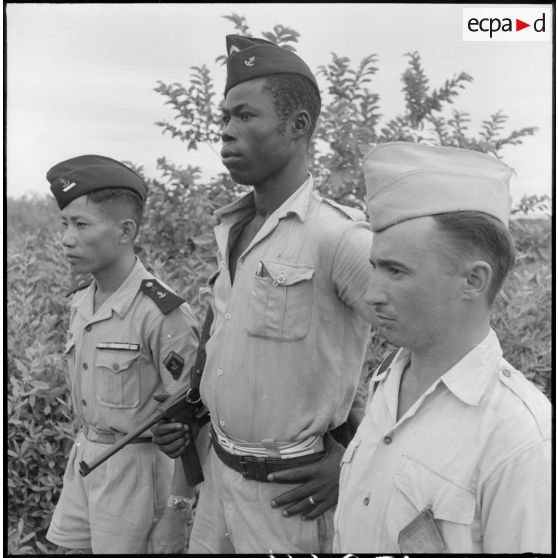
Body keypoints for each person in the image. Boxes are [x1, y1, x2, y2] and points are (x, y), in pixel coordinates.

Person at [152, 35, 375, 553]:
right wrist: (193, 414)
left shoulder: (339, 236)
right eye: (225, 117)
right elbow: (235, 352)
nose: (226, 131)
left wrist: (354, 454)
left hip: (290, 502)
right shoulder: (234, 229)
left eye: (245, 116)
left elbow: (422, 343)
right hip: (218, 485)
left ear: (298, 126)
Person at [333, 141, 552, 553]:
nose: (373, 293)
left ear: (473, 281)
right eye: (375, 267)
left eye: (396, 271)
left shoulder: (519, 438)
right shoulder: (388, 380)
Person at [45, 155, 200, 553]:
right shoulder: (82, 302)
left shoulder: (162, 314)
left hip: (140, 473)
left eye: (81, 224)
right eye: (65, 224)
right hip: (85, 460)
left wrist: (176, 514)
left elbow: (192, 421)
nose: (66, 238)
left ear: (125, 231)